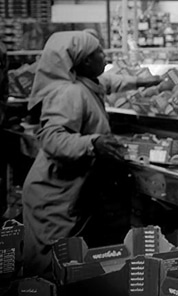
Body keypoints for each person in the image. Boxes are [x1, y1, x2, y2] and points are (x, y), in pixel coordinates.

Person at [22, 31, 129, 279]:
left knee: (67, 266)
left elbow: (113, 82)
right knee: (51, 269)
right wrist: (94, 142)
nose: (105, 56)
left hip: (67, 192)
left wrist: (151, 82)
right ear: (84, 62)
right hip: (52, 195)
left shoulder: (88, 85)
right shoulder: (69, 92)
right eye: (99, 52)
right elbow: (50, 138)